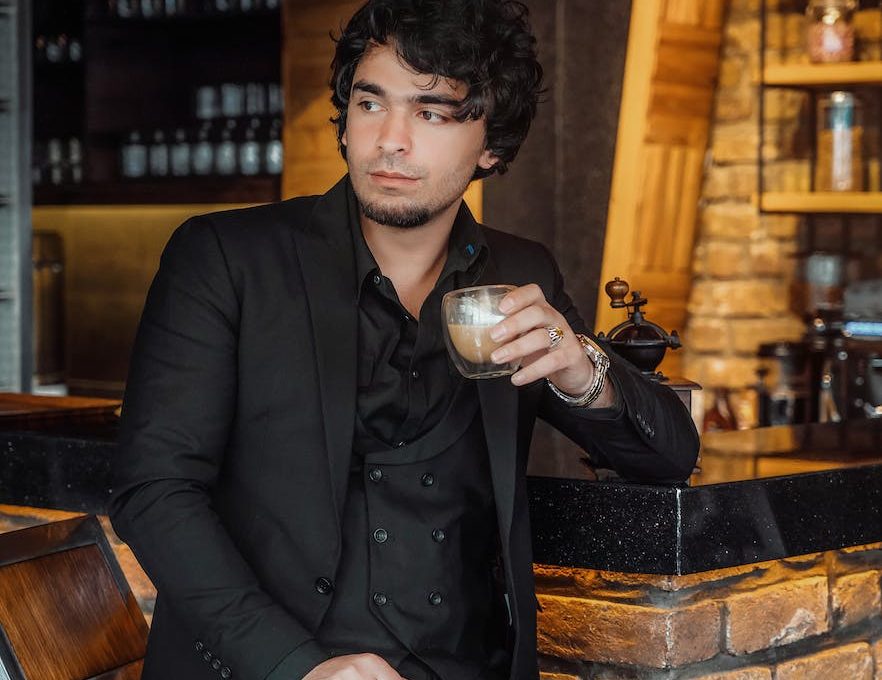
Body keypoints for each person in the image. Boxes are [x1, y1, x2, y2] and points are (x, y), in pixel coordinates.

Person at [109, 0, 700, 678]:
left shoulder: (520, 272)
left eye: (432, 112)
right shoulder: (225, 257)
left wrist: (581, 370)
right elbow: (154, 490)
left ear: (492, 145)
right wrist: (294, 665)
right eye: (371, 104)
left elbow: (670, 456)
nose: (391, 139)